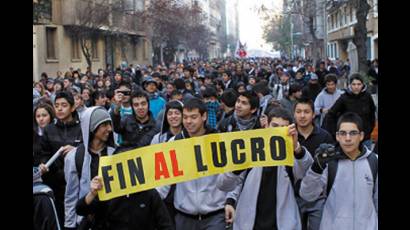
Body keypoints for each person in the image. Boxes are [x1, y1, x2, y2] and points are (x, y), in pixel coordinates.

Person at [217, 107, 314, 230]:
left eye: (283, 127)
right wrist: (231, 198)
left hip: (282, 224)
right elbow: (223, 184)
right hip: (249, 223)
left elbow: (306, 172)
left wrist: (296, 149)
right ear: (266, 125)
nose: (278, 131)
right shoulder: (250, 149)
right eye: (274, 125)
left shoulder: (293, 154)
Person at [156, 98, 239, 230]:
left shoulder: (219, 141)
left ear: (204, 116)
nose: (188, 122)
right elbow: (164, 182)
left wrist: (230, 199)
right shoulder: (174, 143)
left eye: (193, 117)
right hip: (184, 216)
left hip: (214, 216)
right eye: (186, 117)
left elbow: (227, 181)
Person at [299, 112, 378, 230]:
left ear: (361, 136)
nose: (347, 138)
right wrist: (316, 168)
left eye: (353, 133)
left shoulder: (374, 161)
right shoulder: (329, 162)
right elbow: (307, 195)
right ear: (337, 136)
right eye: (343, 133)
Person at [75, 155, 174, 230]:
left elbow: (165, 225)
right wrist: (92, 193)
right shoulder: (107, 192)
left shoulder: (149, 193)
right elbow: (80, 209)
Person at [64, 107, 116, 229]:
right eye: (104, 124)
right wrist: (69, 225)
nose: (109, 129)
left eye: (110, 124)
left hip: (112, 221)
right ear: (92, 128)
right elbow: (71, 195)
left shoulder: (115, 154)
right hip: (85, 220)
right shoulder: (75, 157)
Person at [38, 91, 83, 226]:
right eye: (56, 105)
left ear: (73, 107)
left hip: (78, 183)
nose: (59, 108)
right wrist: (44, 165)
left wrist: (76, 150)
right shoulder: (49, 129)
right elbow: (44, 154)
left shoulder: (82, 127)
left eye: (64, 105)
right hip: (56, 184)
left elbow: (88, 150)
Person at [293, 98, 335, 230]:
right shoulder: (288, 136)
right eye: (298, 112)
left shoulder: (325, 136)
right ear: (294, 114)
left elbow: (331, 167)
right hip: (293, 196)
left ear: (314, 114)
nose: (302, 116)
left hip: (318, 196)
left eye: (306, 112)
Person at [323, 73, 376, 147]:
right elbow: (330, 115)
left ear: (362, 85)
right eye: (354, 84)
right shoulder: (344, 98)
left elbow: (372, 113)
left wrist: (369, 129)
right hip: (349, 138)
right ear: (350, 85)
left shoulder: (367, 96)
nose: (356, 87)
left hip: (365, 138)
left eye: (359, 84)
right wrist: (336, 133)